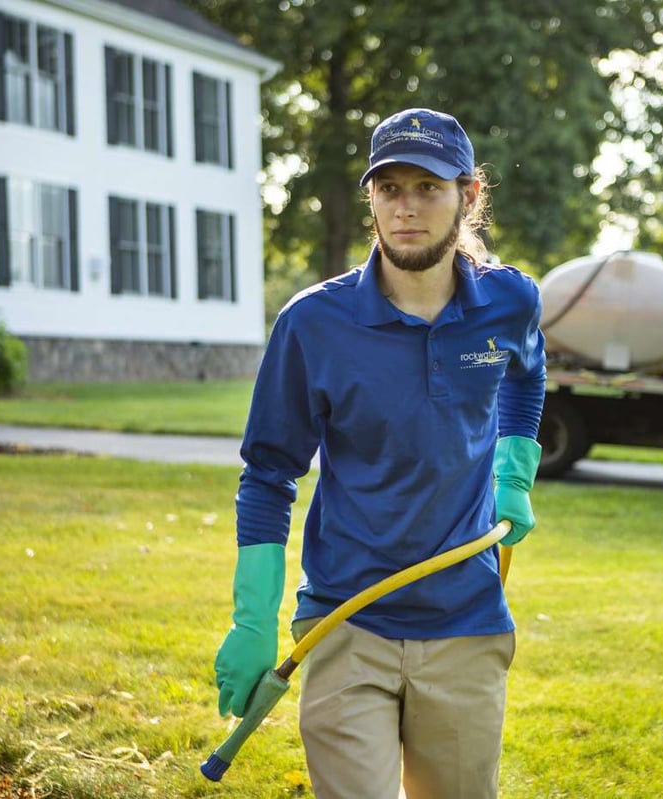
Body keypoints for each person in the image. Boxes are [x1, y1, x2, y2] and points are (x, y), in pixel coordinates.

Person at [213, 107, 547, 799]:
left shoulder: (509, 302)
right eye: (389, 188)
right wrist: (252, 621)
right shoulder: (312, 323)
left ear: (469, 195)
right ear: (370, 197)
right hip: (346, 620)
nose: (407, 208)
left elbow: (526, 370)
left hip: (467, 619)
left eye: (428, 187)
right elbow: (269, 473)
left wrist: (514, 475)